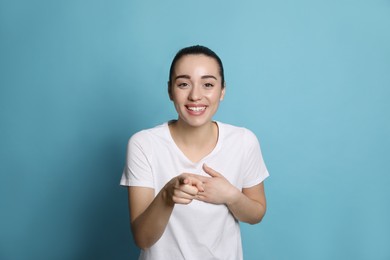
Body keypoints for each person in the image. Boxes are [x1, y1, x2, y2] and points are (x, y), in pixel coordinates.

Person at [120, 45, 269, 260]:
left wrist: (231, 196)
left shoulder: (244, 142)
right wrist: (166, 196)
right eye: (183, 84)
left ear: (222, 90)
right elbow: (143, 239)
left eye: (208, 84)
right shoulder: (144, 144)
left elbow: (256, 214)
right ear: (170, 90)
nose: (195, 95)